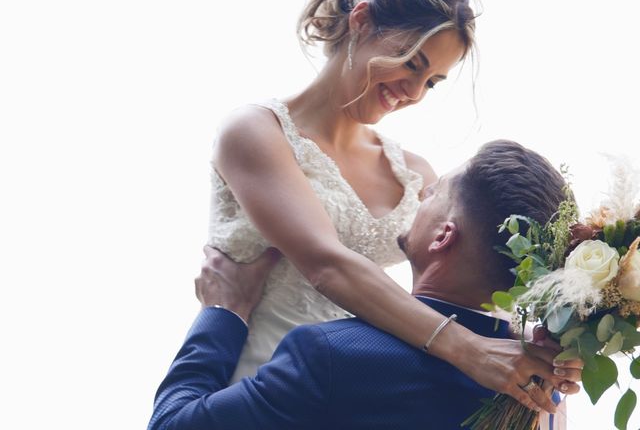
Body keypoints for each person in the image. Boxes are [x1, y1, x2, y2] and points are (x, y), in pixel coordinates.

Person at [205, 0, 567, 405]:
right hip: (256, 379)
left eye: (433, 81)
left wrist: (532, 338)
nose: (415, 93)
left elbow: (456, 282)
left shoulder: (414, 174)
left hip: (361, 389)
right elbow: (327, 264)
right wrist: (469, 349)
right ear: (361, 21)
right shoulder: (256, 132)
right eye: (411, 63)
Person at [150, 140, 581, 430]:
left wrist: (222, 314)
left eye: (435, 192)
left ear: (444, 236)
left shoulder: (331, 355)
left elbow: (172, 424)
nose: (420, 195)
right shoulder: (545, 394)